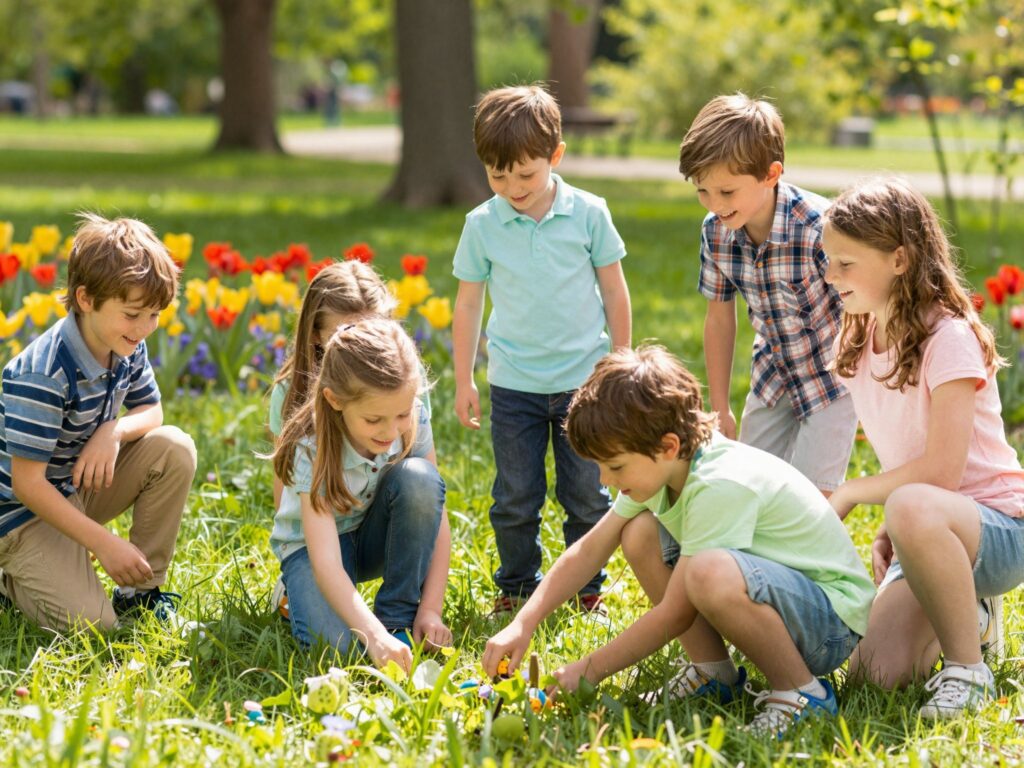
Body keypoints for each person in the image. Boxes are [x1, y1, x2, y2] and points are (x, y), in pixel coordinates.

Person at [483, 346, 875, 737]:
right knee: (637, 533)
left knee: (707, 573)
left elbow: (676, 612)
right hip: (789, 603)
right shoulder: (663, 469)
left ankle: (801, 692)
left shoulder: (718, 483)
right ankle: (713, 672)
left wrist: (586, 671)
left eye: (615, 466)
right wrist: (524, 622)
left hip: (829, 624)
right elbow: (591, 548)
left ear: (668, 445)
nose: (604, 480)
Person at [822, 178, 1024, 718]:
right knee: (872, 677)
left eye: (845, 263)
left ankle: (968, 669)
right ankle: (971, 616)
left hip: (998, 528)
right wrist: (903, 530)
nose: (830, 276)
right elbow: (911, 457)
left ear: (899, 259)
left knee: (909, 503)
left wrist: (853, 495)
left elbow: (941, 470)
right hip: (929, 524)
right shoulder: (859, 337)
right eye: (828, 262)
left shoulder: (948, 337)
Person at [452, 84, 631, 616]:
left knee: (586, 496)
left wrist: (620, 366)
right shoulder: (482, 224)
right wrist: (464, 378)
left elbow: (614, 290)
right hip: (513, 387)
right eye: (497, 175)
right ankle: (515, 587)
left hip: (584, 384)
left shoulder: (589, 213)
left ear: (556, 157)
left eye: (526, 174)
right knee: (514, 498)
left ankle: (587, 589)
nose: (512, 187)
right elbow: (467, 306)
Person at [0, 213, 197, 631]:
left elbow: (152, 412)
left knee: (174, 447)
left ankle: (141, 592)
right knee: (95, 626)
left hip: (74, 488)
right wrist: (103, 543)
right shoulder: (43, 373)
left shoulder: (124, 343)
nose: (145, 329)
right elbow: (27, 485)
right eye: (132, 314)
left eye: (154, 316)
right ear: (86, 299)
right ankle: (9, 578)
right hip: (19, 517)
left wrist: (113, 431)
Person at [678, 93, 856, 497]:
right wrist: (720, 405)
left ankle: (816, 560)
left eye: (726, 192)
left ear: (771, 174)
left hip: (833, 381)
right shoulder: (715, 232)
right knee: (749, 489)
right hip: (772, 376)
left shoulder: (819, 229)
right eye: (702, 191)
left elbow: (861, 311)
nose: (714, 205)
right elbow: (720, 318)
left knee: (814, 498)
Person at [270, 318, 451, 669]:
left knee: (421, 479)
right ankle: (292, 592)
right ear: (335, 400)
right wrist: (370, 636)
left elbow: (433, 512)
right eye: (374, 420)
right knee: (339, 652)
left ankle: (397, 618)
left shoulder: (410, 417)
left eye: (400, 414)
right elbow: (325, 560)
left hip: (375, 535)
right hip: (315, 551)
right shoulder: (313, 445)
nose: (390, 430)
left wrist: (431, 609)